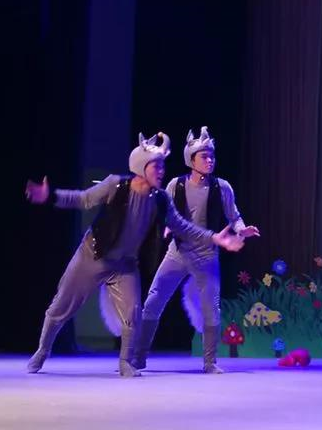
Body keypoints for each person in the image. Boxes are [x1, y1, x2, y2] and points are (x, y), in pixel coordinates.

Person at [24, 132, 245, 377]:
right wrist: (50, 196)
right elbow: (84, 199)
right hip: (93, 256)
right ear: (141, 167)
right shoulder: (116, 185)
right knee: (61, 306)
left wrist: (214, 238)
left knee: (133, 315)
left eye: (162, 166)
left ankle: (126, 362)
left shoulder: (160, 199)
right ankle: (42, 351)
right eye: (156, 166)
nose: (161, 171)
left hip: (124, 265)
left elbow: (183, 226)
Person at [133, 127, 259, 374]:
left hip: (207, 255)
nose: (210, 160)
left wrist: (241, 230)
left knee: (211, 307)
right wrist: (166, 227)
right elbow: (165, 211)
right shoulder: (176, 185)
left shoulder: (222, 187)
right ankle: (138, 358)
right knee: (154, 300)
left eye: (212, 156)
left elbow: (234, 216)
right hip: (178, 252)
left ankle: (210, 362)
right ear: (191, 160)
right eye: (204, 156)